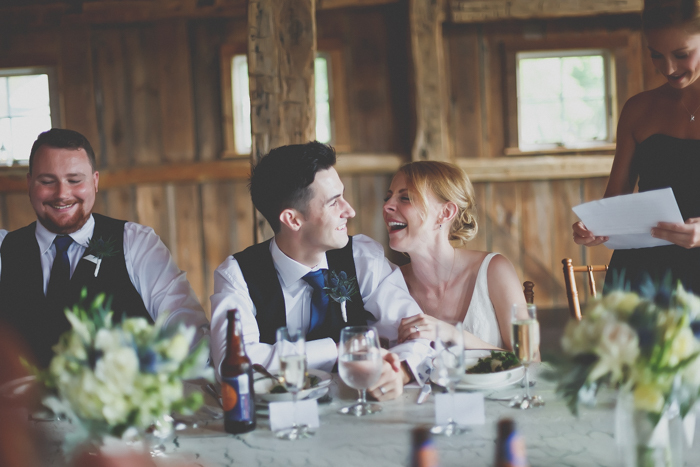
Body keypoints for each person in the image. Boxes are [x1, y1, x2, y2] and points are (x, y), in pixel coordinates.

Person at [210, 142, 432, 401]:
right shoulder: (237, 275)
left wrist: (401, 371)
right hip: (274, 422)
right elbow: (233, 363)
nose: (349, 211)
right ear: (293, 219)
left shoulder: (362, 257)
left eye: (343, 196)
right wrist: (339, 350)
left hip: (356, 415)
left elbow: (417, 333)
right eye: (333, 203)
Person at [0, 129, 209, 367]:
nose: (62, 194)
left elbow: (186, 327)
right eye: (47, 182)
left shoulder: (136, 244)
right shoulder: (4, 250)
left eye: (75, 180)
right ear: (29, 184)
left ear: (95, 182)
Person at [573, 0, 700, 292]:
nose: (668, 68)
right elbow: (614, 200)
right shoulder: (638, 109)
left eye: (682, 54)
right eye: (656, 55)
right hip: (642, 277)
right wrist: (593, 227)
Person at [383, 161, 526, 350]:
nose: (387, 206)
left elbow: (531, 363)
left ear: (445, 213)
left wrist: (452, 333)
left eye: (406, 198)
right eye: (388, 197)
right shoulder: (390, 284)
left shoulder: (494, 270)